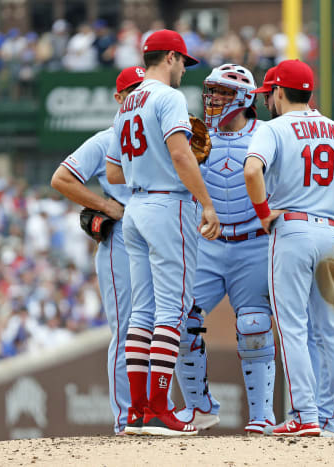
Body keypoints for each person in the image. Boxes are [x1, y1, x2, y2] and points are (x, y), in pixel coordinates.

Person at [244, 59, 334, 436]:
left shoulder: (273, 129)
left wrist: (261, 214)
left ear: (277, 92)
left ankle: (305, 415)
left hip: (290, 230)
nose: (266, 100)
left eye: (268, 93)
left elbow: (252, 170)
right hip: (330, 233)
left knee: (292, 327)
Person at [105, 29, 220, 437]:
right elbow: (178, 152)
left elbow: (113, 171)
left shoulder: (127, 104)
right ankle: (158, 408)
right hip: (168, 205)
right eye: (183, 62)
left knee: (142, 312)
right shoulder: (168, 97)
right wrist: (206, 202)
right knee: (171, 309)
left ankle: (137, 410)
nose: (184, 71)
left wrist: (150, 160)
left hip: (135, 207)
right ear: (169, 57)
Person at [174, 63, 276, 435]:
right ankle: (198, 406)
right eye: (212, 92)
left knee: (254, 325)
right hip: (208, 244)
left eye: (224, 93)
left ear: (247, 97)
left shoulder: (268, 133)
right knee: (183, 321)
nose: (214, 99)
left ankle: (262, 415)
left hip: (253, 243)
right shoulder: (194, 135)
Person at [51, 66, 145, 435]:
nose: (138, 96)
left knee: (163, 326)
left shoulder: (166, 138)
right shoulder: (106, 139)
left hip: (158, 234)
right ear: (119, 98)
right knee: (126, 330)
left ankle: (157, 411)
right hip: (121, 236)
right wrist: (106, 207)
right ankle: (126, 420)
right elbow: (61, 178)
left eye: (144, 89)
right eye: (132, 91)